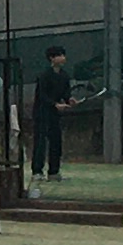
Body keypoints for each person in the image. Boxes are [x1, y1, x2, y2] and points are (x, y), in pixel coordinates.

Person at [31, 45, 73, 180]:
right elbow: (42, 95)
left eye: (63, 55)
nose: (63, 58)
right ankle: (37, 171)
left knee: (56, 142)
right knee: (40, 142)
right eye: (59, 55)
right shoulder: (44, 75)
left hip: (55, 115)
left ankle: (54, 172)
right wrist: (55, 104)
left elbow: (66, 93)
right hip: (42, 113)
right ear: (52, 58)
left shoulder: (64, 76)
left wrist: (69, 100)